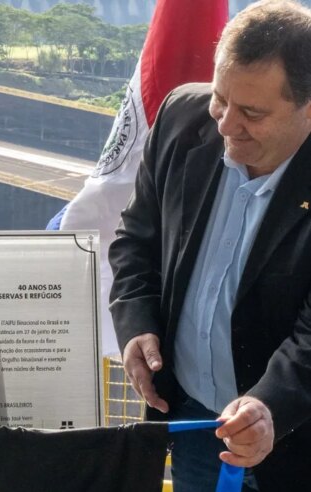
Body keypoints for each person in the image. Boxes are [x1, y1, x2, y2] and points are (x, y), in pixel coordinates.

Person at [109, 1, 311, 490]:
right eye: (222, 99)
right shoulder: (182, 115)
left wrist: (269, 406)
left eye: (252, 113)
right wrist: (136, 322)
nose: (224, 124)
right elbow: (137, 239)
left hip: (295, 439)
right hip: (196, 420)